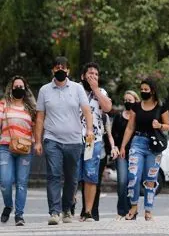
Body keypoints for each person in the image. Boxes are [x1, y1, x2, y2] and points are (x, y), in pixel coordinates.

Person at [34, 56, 94, 225]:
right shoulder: (45, 90)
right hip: (52, 139)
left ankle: (67, 209)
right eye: (57, 67)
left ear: (68, 70)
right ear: (53, 70)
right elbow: (40, 117)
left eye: (63, 67)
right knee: (53, 175)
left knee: (72, 178)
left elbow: (87, 110)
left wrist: (89, 130)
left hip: (74, 141)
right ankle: (54, 212)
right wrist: (38, 141)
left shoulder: (77, 89)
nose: (60, 70)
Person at [119, 78, 169, 221]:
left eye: (146, 90)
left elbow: (168, 126)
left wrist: (159, 125)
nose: (143, 92)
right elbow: (130, 127)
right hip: (137, 144)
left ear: (152, 91)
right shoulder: (136, 106)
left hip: (154, 146)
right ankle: (133, 207)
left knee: (151, 179)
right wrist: (123, 146)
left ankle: (148, 210)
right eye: (141, 90)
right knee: (133, 177)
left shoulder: (161, 106)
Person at [76, 62, 112, 222]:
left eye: (96, 74)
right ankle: (69, 208)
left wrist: (96, 89)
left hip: (93, 139)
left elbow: (108, 107)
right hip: (74, 138)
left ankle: (88, 212)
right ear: (83, 76)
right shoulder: (74, 89)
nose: (93, 76)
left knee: (90, 175)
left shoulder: (101, 91)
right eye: (90, 73)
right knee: (73, 175)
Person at [0, 76, 37, 226]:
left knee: (22, 183)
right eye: (16, 86)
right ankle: (8, 205)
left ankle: (19, 215)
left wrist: (37, 141)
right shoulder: (3, 104)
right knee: (5, 181)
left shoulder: (31, 108)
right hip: (5, 147)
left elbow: (36, 127)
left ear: (25, 89)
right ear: (11, 88)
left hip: (25, 148)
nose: (19, 88)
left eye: (21, 86)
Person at [111, 90, 140, 220]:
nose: (127, 103)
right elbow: (112, 134)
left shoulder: (139, 117)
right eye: (126, 100)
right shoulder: (118, 117)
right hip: (121, 154)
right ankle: (122, 210)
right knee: (122, 181)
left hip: (135, 152)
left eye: (130, 100)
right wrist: (114, 148)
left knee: (132, 181)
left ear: (136, 101)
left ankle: (132, 211)